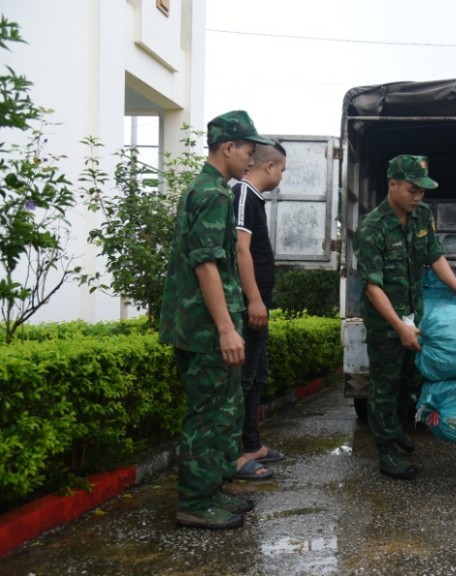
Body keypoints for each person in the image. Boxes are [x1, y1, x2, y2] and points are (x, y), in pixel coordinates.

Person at [159, 110, 274, 530]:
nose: (252, 157)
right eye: (247, 149)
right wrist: (227, 327)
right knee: (207, 415)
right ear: (227, 147)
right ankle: (194, 501)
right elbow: (207, 265)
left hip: (207, 326)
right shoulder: (213, 194)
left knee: (223, 411)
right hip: (206, 329)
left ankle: (210, 489)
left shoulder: (213, 190)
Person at [354, 154, 456, 480]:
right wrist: (398, 327)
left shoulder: (421, 215)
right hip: (386, 322)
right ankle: (385, 450)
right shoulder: (372, 228)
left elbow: (434, 255)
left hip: (414, 314)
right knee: (384, 385)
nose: (418, 197)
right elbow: (371, 286)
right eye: (412, 190)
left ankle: (396, 428)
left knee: (412, 379)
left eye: (423, 191)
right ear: (392, 185)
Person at [232, 141, 288, 481]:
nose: (282, 175)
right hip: (247, 306)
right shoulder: (242, 194)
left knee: (256, 378)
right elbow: (241, 250)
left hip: (259, 307)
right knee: (243, 380)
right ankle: (237, 453)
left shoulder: (255, 198)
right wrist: (253, 299)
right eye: (282, 169)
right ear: (269, 166)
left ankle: (253, 444)